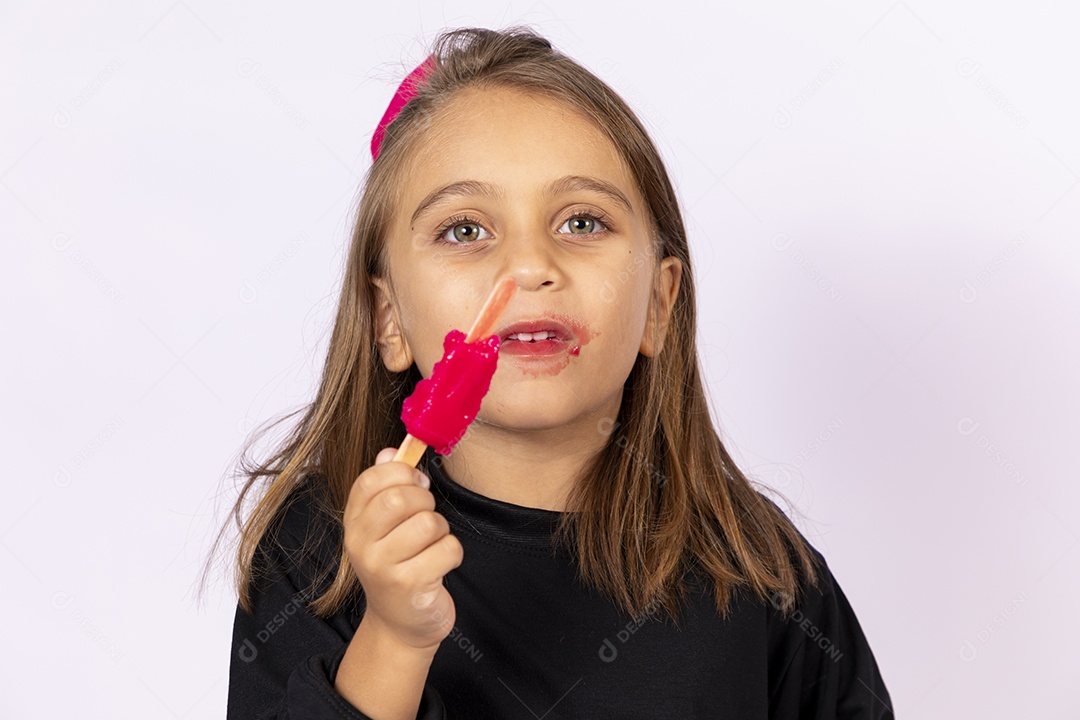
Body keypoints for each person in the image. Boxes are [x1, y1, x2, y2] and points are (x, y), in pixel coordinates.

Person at [219, 26, 893, 719]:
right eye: (465, 230)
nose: (530, 266)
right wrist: (393, 636)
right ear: (387, 318)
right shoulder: (317, 553)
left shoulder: (761, 574)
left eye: (581, 222)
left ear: (659, 305)